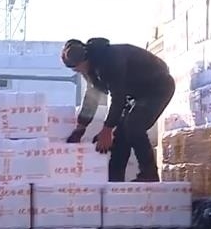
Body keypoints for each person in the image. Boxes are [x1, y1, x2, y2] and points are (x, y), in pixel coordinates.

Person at [62, 37, 175, 182]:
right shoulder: (92, 66)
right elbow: (92, 97)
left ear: (84, 61)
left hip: (158, 87)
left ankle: (149, 174)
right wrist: (81, 127)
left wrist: (107, 129)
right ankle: (115, 182)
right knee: (120, 136)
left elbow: (118, 98)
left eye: (77, 69)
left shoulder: (110, 60)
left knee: (134, 126)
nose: (78, 72)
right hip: (135, 93)